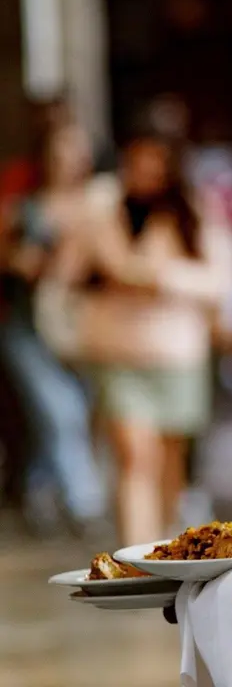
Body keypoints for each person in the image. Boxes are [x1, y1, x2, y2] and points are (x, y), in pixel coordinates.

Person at [73, 133, 232, 545]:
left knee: (168, 458)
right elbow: (79, 269)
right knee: (134, 455)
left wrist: (162, 277)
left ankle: (163, 544)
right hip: (118, 350)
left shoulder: (195, 213)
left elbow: (221, 279)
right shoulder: (103, 211)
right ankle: (135, 551)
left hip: (177, 353)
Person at [0, 119, 106, 534]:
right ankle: (85, 501)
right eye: (60, 148)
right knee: (59, 409)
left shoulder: (102, 201)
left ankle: (37, 493)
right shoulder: (24, 205)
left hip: (86, 327)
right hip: (28, 326)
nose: (68, 158)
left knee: (75, 412)